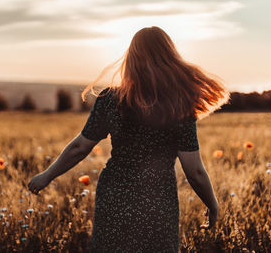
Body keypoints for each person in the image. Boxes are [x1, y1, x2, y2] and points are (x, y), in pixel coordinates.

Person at [28, 26, 230, 252]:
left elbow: (80, 147)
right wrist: (212, 205)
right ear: (170, 57)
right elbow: (195, 171)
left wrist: (47, 175)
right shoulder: (179, 106)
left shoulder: (111, 100)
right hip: (157, 200)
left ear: (131, 58)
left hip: (114, 195)